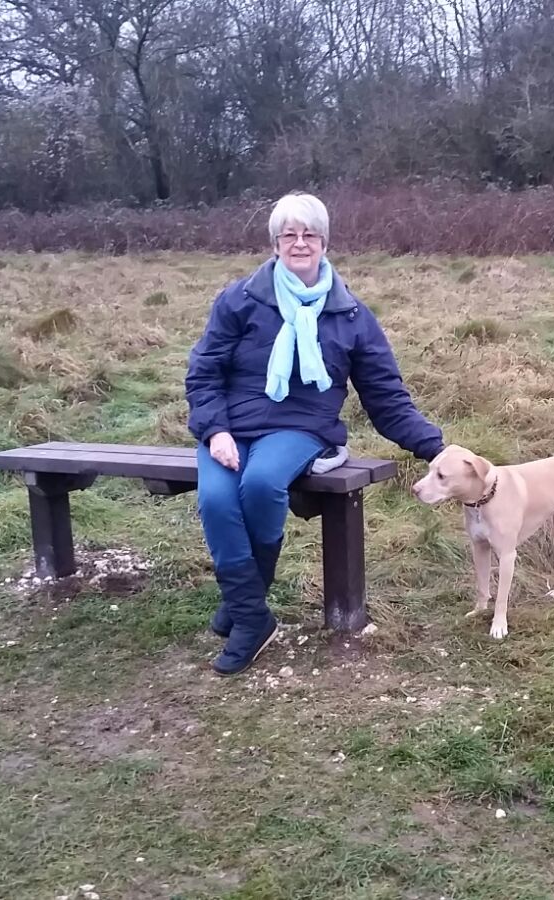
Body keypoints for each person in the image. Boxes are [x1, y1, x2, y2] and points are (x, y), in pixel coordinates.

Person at [184, 192, 445, 676]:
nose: (299, 243)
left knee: (262, 484)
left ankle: (243, 612)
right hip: (228, 426)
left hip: (301, 426)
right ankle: (252, 613)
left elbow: (385, 395)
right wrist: (215, 429)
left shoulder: (350, 315)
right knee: (217, 500)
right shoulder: (240, 300)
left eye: (309, 235)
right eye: (289, 234)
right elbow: (204, 372)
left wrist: (437, 448)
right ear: (275, 242)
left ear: (324, 242)